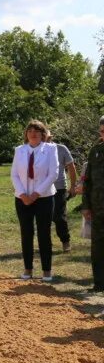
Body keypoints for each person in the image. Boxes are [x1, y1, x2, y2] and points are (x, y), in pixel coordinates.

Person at [12, 120, 59, 282]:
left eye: (37, 131)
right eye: (30, 130)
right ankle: (28, 269)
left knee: (44, 234)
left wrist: (36, 193)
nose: (33, 133)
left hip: (44, 198)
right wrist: (23, 194)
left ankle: (47, 270)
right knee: (26, 233)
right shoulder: (20, 150)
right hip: (22, 198)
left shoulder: (51, 149)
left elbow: (53, 174)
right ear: (26, 134)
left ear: (43, 134)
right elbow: (14, 175)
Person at [80, 116, 104, 293]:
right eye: (102, 131)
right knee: (97, 247)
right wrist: (86, 205)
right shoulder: (95, 151)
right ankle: (98, 283)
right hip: (97, 208)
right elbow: (86, 181)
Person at [49, 135, 77, 252]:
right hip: (42, 189)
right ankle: (46, 243)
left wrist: (73, 186)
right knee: (44, 218)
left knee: (59, 216)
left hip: (59, 188)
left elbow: (71, 167)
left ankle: (65, 241)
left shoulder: (61, 148)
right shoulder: (35, 150)